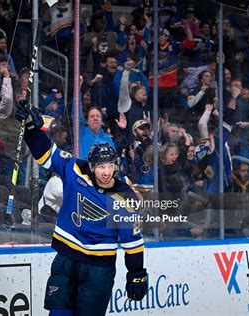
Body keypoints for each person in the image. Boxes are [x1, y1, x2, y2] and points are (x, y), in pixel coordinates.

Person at [15, 100, 147, 315]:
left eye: (110, 166)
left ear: (115, 166)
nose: (106, 172)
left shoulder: (124, 197)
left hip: (98, 269)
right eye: (101, 166)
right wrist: (31, 128)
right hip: (66, 260)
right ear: (92, 165)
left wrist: (137, 272)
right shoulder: (75, 169)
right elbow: (46, 154)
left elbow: (132, 243)